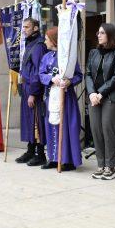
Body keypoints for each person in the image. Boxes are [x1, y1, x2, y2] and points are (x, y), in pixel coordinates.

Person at [38, 27, 82, 171]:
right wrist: (51, 78)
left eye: (46, 38)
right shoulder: (46, 57)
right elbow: (41, 74)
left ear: (54, 40)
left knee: (66, 127)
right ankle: (53, 157)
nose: (45, 41)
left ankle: (67, 159)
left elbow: (78, 75)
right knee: (50, 126)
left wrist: (70, 81)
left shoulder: (67, 57)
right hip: (51, 96)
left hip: (66, 97)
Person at [86, 23, 115, 180]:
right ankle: (100, 165)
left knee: (108, 131)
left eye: (102, 32)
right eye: (98, 32)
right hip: (94, 98)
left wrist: (101, 93)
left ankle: (110, 167)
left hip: (110, 97)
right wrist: (91, 94)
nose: (98, 35)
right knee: (96, 131)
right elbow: (88, 73)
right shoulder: (93, 53)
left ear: (110, 35)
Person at [15, 18, 47, 166]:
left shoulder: (39, 46)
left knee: (36, 121)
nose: (24, 29)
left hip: (34, 89)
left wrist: (33, 93)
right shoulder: (30, 43)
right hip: (26, 87)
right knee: (28, 121)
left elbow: (37, 71)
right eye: (23, 27)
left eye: (27, 27)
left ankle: (40, 154)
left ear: (35, 28)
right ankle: (30, 150)